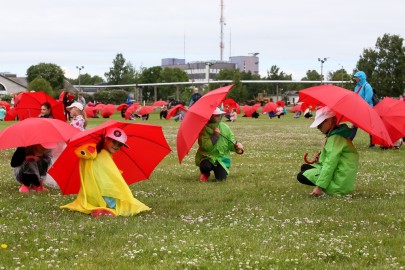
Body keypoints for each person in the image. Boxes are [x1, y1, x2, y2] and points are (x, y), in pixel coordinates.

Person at [61, 128, 151, 217]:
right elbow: (109, 178)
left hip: (93, 194)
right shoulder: (102, 154)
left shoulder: (97, 151)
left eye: (119, 145)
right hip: (103, 192)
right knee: (128, 206)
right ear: (106, 139)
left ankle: (100, 207)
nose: (116, 146)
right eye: (114, 142)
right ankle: (109, 208)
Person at [296, 106, 359, 196]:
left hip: (339, 182)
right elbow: (330, 159)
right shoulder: (336, 136)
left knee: (301, 176)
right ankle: (325, 183)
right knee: (304, 168)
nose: (318, 127)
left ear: (329, 121)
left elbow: (330, 164)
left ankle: (327, 188)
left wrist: (319, 186)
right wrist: (319, 158)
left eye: (320, 125)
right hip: (341, 176)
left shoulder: (335, 138)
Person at [195, 107, 244, 182]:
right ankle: (205, 173)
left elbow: (231, 142)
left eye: (219, 115)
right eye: (216, 115)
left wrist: (236, 146)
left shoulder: (225, 127)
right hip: (207, 157)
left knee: (221, 179)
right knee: (205, 166)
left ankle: (219, 170)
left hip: (221, 158)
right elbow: (205, 147)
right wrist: (215, 136)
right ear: (210, 116)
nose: (218, 117)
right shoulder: (204, 129)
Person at [349, 71, 374, 146]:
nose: (355, 78)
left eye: (356, 77)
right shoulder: (356, 87)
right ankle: (349, 140)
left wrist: (362, 107)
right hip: (359, 108)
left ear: (361, 78)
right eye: (355, 77)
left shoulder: (367, 86)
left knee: (370, 127)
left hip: (367, 109)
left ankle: (373, 142)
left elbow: (368, 99)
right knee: (354, 124)